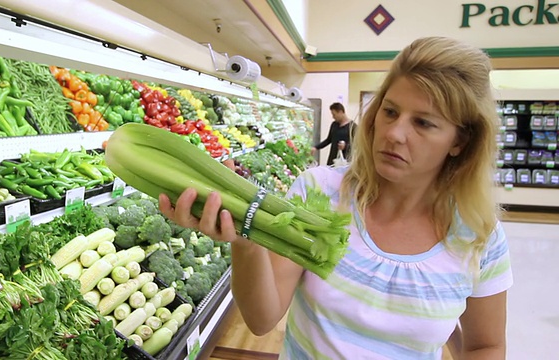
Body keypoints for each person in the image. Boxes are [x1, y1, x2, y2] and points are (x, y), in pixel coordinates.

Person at [159, 36, 513, 360]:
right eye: (390, 111)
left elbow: (486, 344)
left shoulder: (478, 236)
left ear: (459, 142)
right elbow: (261, 320)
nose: (394, 133)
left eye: (423, 123)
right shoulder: (319, 193)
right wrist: (245, 242)